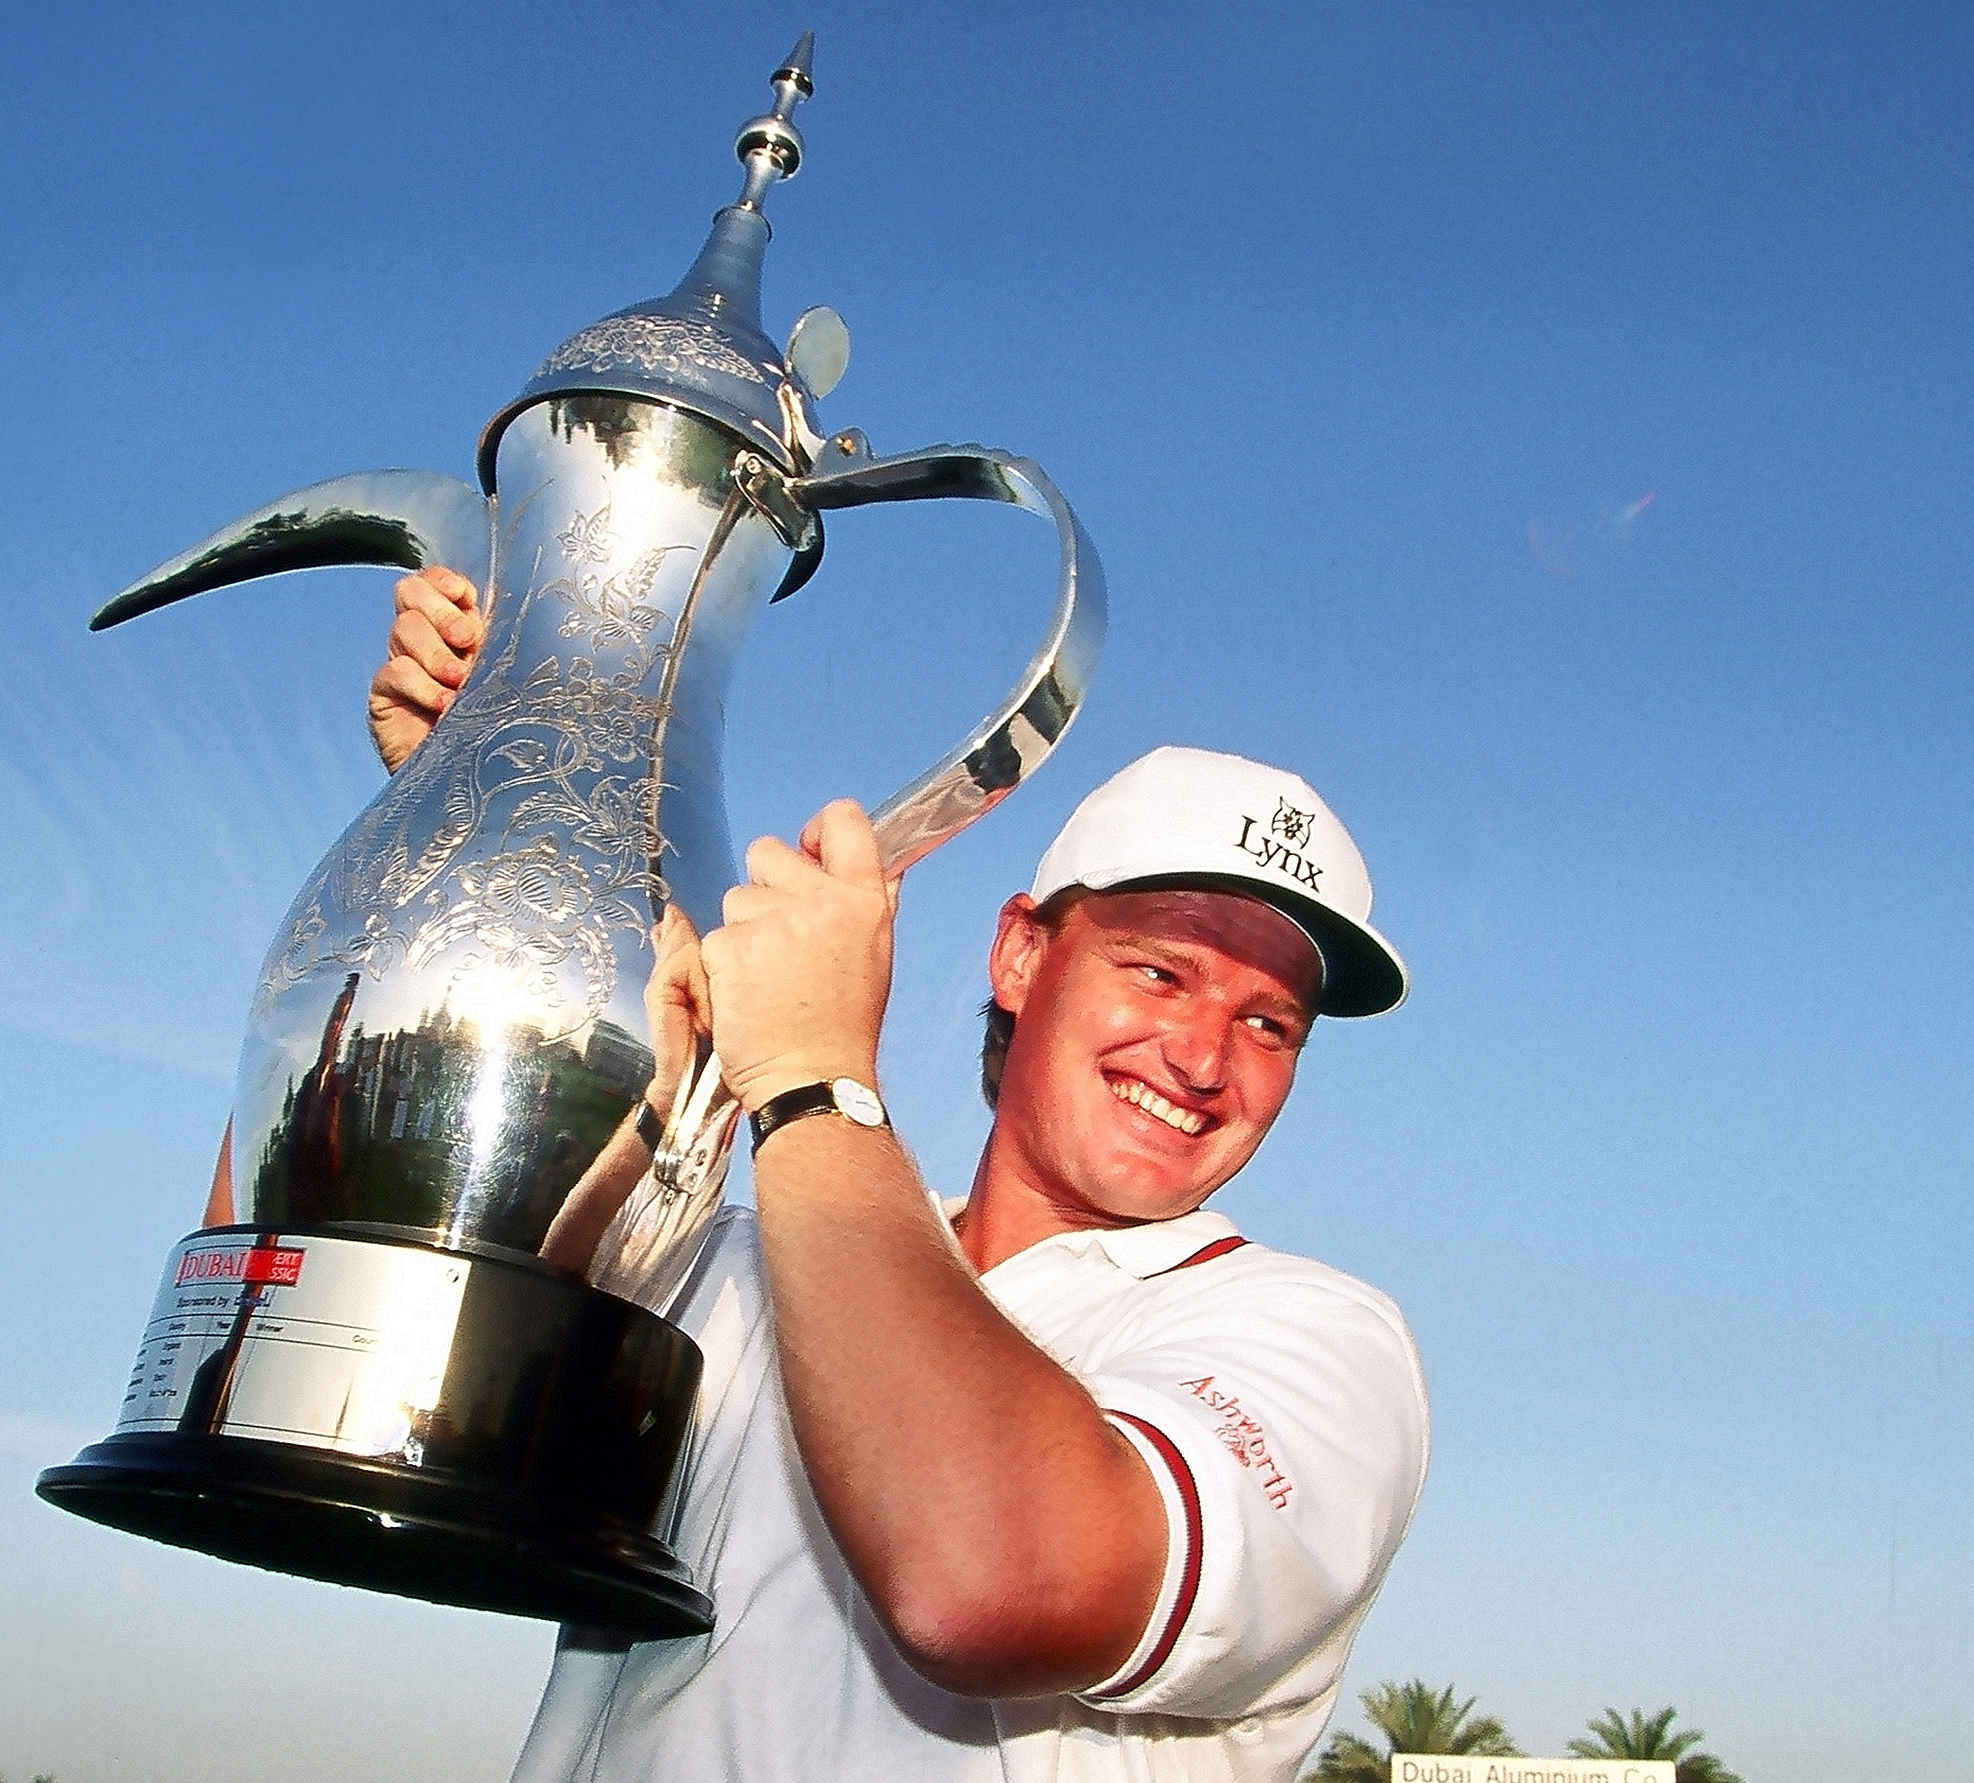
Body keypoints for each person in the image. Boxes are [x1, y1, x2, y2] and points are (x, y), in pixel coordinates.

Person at [372, 567, 1430, 1783]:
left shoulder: (1317, 1342)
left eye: (1268, 1023)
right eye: (1158, 972)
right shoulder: (730, 1263)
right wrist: (465, 847)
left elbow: (985, 1582)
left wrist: (812, 1078)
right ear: (1020, 954)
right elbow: (346, 1329)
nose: (1201, 1058)